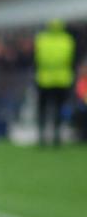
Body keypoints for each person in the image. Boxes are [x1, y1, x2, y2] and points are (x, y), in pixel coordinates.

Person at [34, 19, 76, 147]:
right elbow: (71, 59)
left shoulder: (41, 39)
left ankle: (41, 136)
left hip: (44, 79)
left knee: (42, 109)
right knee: (59, 108)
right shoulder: (68, 40)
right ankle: (57, 136)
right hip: (62, 79)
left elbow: (37, 58)